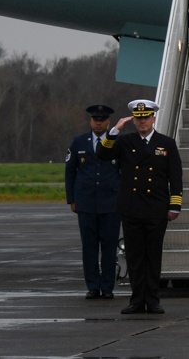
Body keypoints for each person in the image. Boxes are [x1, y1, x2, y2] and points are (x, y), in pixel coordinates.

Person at [97, 99, 182, 315]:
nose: (142, 122)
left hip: (156, 208)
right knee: (134, 257)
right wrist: (115, 129)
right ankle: (136, 300)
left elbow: (176, 177)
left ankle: (152, 300)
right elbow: (102, 153)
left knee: (153, 256)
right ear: (133, 120)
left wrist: (175, 205)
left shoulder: (166, 143)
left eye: (146, 118)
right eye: (138, 118)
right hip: (132, 208)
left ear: (154, 118)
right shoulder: (125, 142)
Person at [64, 104, 121, 299]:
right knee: (89, 246)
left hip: (111, 203)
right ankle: (92, 286)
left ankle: (107, 287)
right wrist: (71, 199)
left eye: (102, 120)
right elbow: (70, 171)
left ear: (108, 122)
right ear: (91, 121)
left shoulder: (117, 142)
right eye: (95, 120)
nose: (98, 123)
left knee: (109, 246)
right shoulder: (79, 142)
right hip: (86, 202)